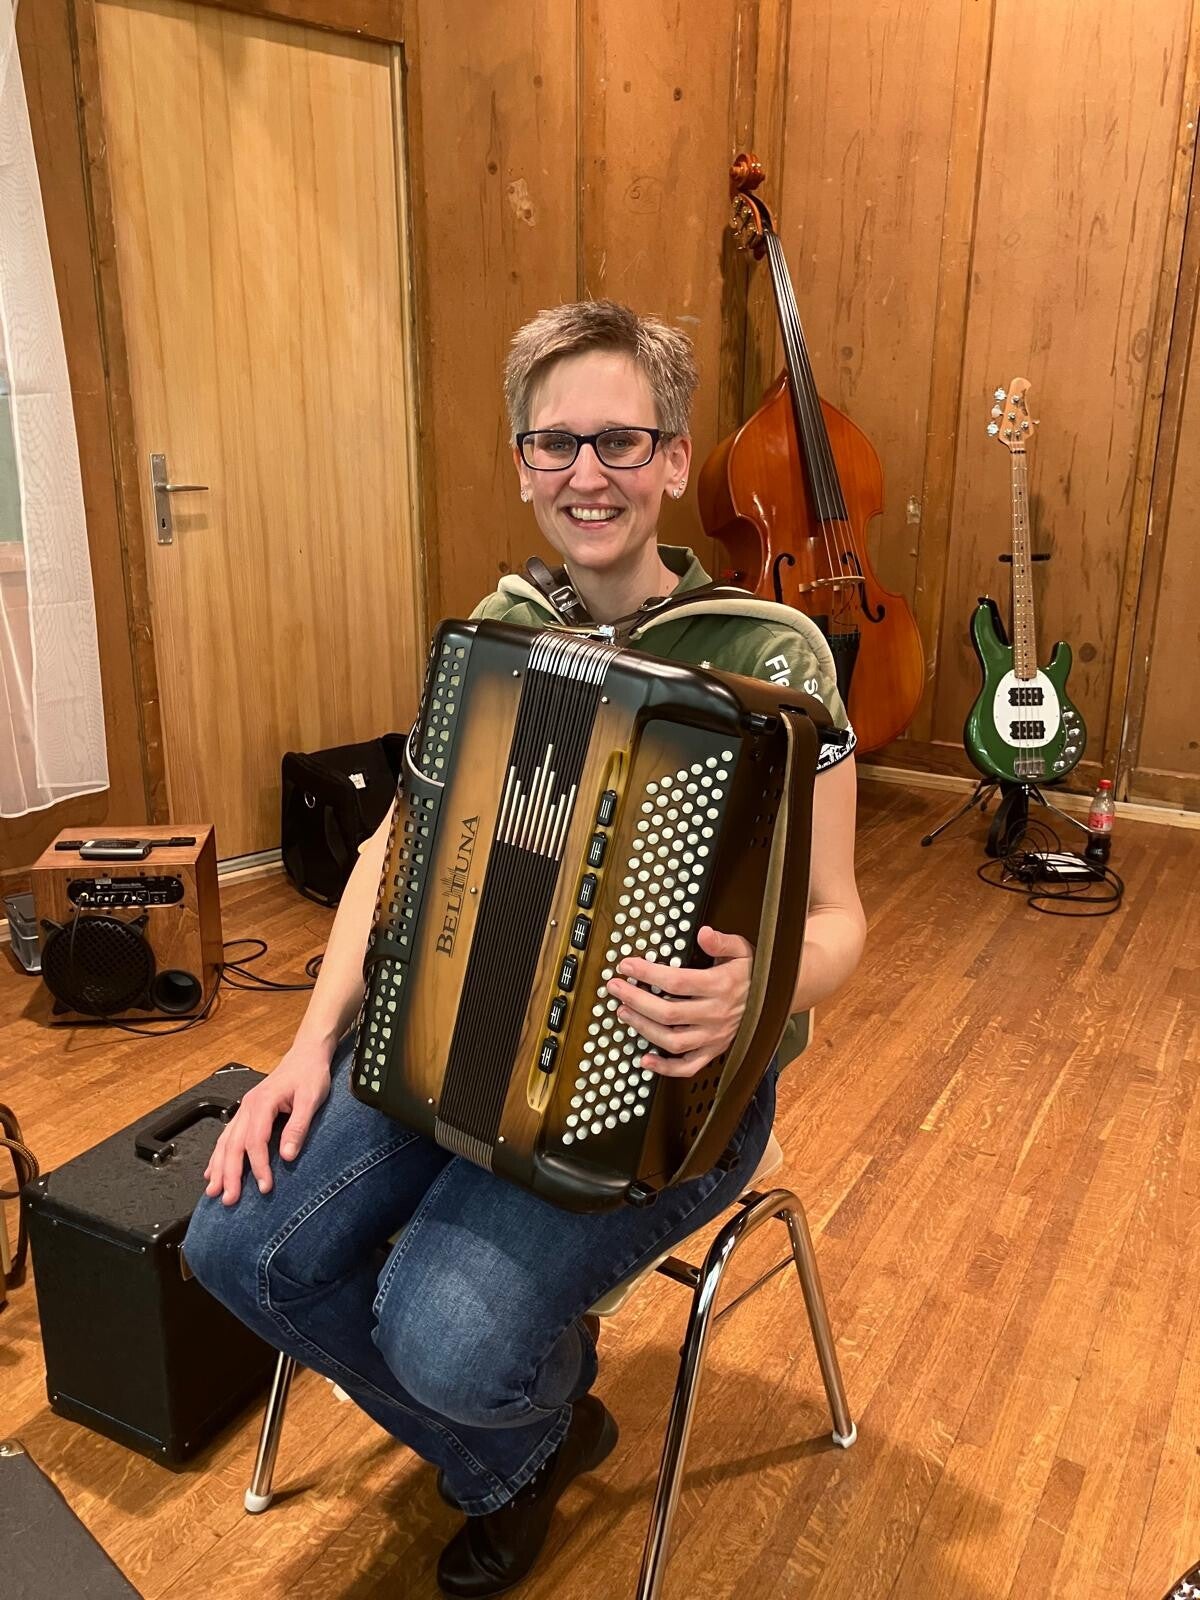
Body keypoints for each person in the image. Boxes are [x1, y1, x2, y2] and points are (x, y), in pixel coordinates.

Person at [184, 299, 866, 1597]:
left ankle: (496, 1408)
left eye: (621, 441)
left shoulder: (769, 656)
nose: (586, 474)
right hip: (455, 1037)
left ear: (674, 459)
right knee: (234, 1245)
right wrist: (307, 1049)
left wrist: (751, 993)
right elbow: (390, 852)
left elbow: (839, 919)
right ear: (521, 464)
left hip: (675, 1087)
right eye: (556, 444)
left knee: (439, 1337)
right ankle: (523, 1444)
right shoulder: (494, 633)